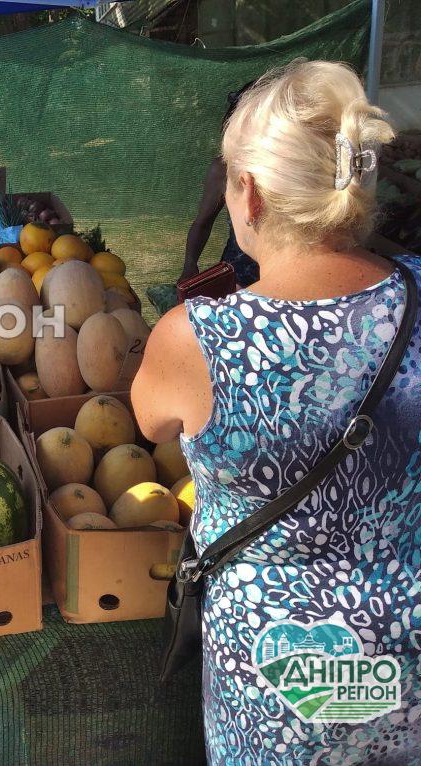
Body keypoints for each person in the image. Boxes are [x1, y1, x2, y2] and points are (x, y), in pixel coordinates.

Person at [132, 60, 420, 764]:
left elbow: (149, 422)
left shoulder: (197, 337)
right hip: (407, 654)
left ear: (249, 193)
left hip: (273, 676)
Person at [179, 82, 260, 287]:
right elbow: (202, 222)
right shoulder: (222, 169)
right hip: (236, 278)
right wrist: (190, 265)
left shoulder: (291, 175)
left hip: (282, 282)